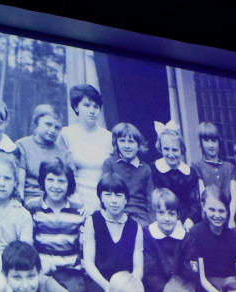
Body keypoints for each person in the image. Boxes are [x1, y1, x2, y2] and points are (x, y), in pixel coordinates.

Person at [24, 157, 87, 292]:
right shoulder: (32, 207)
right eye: (50, 180)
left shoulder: (78, 211)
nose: (55, 186)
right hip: (43, 272)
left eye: (61, 181)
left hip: (72, 274)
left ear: (69, 184)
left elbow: (84, 246)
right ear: (43, 182)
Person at [82, 173, 144, 292]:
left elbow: (138, 268)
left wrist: (128, 287)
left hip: (124, 285)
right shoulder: (92, 222)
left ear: (126, 199)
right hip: (98, 283)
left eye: (118, 195)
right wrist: (106, 286)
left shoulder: (135, 227)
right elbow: (88, 263)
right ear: (101, 198)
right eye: (108, 195)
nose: (114, 200)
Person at [142, 188, 199, 292]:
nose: (166, 218)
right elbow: (151, 274)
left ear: (178, 215)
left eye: (171, 214)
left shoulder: (186, 239)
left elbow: (190, 275)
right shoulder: (147, 235)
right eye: (161, 213)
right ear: (154, 214)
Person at [192, 186, 236, 292]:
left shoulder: (235, 239)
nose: (217, 215)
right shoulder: (196, 234)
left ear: (227, 211)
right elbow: (202, 278)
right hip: (209, 290)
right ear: (203, 207)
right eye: (212, 210)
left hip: (232, 288)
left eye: (221, 211)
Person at [60, 84, 112, 214]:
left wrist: (100, 205)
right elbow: (62, 172)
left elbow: (113, 176)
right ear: (76, 107)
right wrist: (76, 202)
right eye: (87, 105)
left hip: (104, 203)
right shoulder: (66, 134)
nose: (92, 111)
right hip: (74, 201)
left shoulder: (109, 137)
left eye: (96, 106)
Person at [15, 104, 73, 202]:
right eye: (48, 124)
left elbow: (71, 186)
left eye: (57, 128)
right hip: (30, 200)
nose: (52, 130)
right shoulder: (23, 146)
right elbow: (19, 183)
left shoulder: (64, 153)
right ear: (37, 122)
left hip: (57, 200)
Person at [101, 122, 154, 227]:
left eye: (131, 142)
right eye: (122, 141)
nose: (126, 146)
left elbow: (150, 199)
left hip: (141, 217)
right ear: (116, 143)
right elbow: (104, 193)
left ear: (139, 145)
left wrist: (150, 222)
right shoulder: (110, 164)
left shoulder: (145, 169)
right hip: (117, 214)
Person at [151, 126, 201, 230]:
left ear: (181, 150)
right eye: (166, 149)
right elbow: (153, 200)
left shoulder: (189, 173)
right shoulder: (154, 170)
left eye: (175, 150)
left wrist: (189, 220)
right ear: (160, 148)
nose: (171, 154)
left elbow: (194, 203)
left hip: (185, 221)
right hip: (162, 219)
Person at [190, 122, 236, 229]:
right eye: (206, 141)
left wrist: (231, 219)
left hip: (228, 219)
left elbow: (234, 197)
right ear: (201, 143)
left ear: (219, 143)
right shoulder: (197, 166)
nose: (210, 145)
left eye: (214, 141)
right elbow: (203, 196)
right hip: (208, 219)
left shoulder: (229, 167)